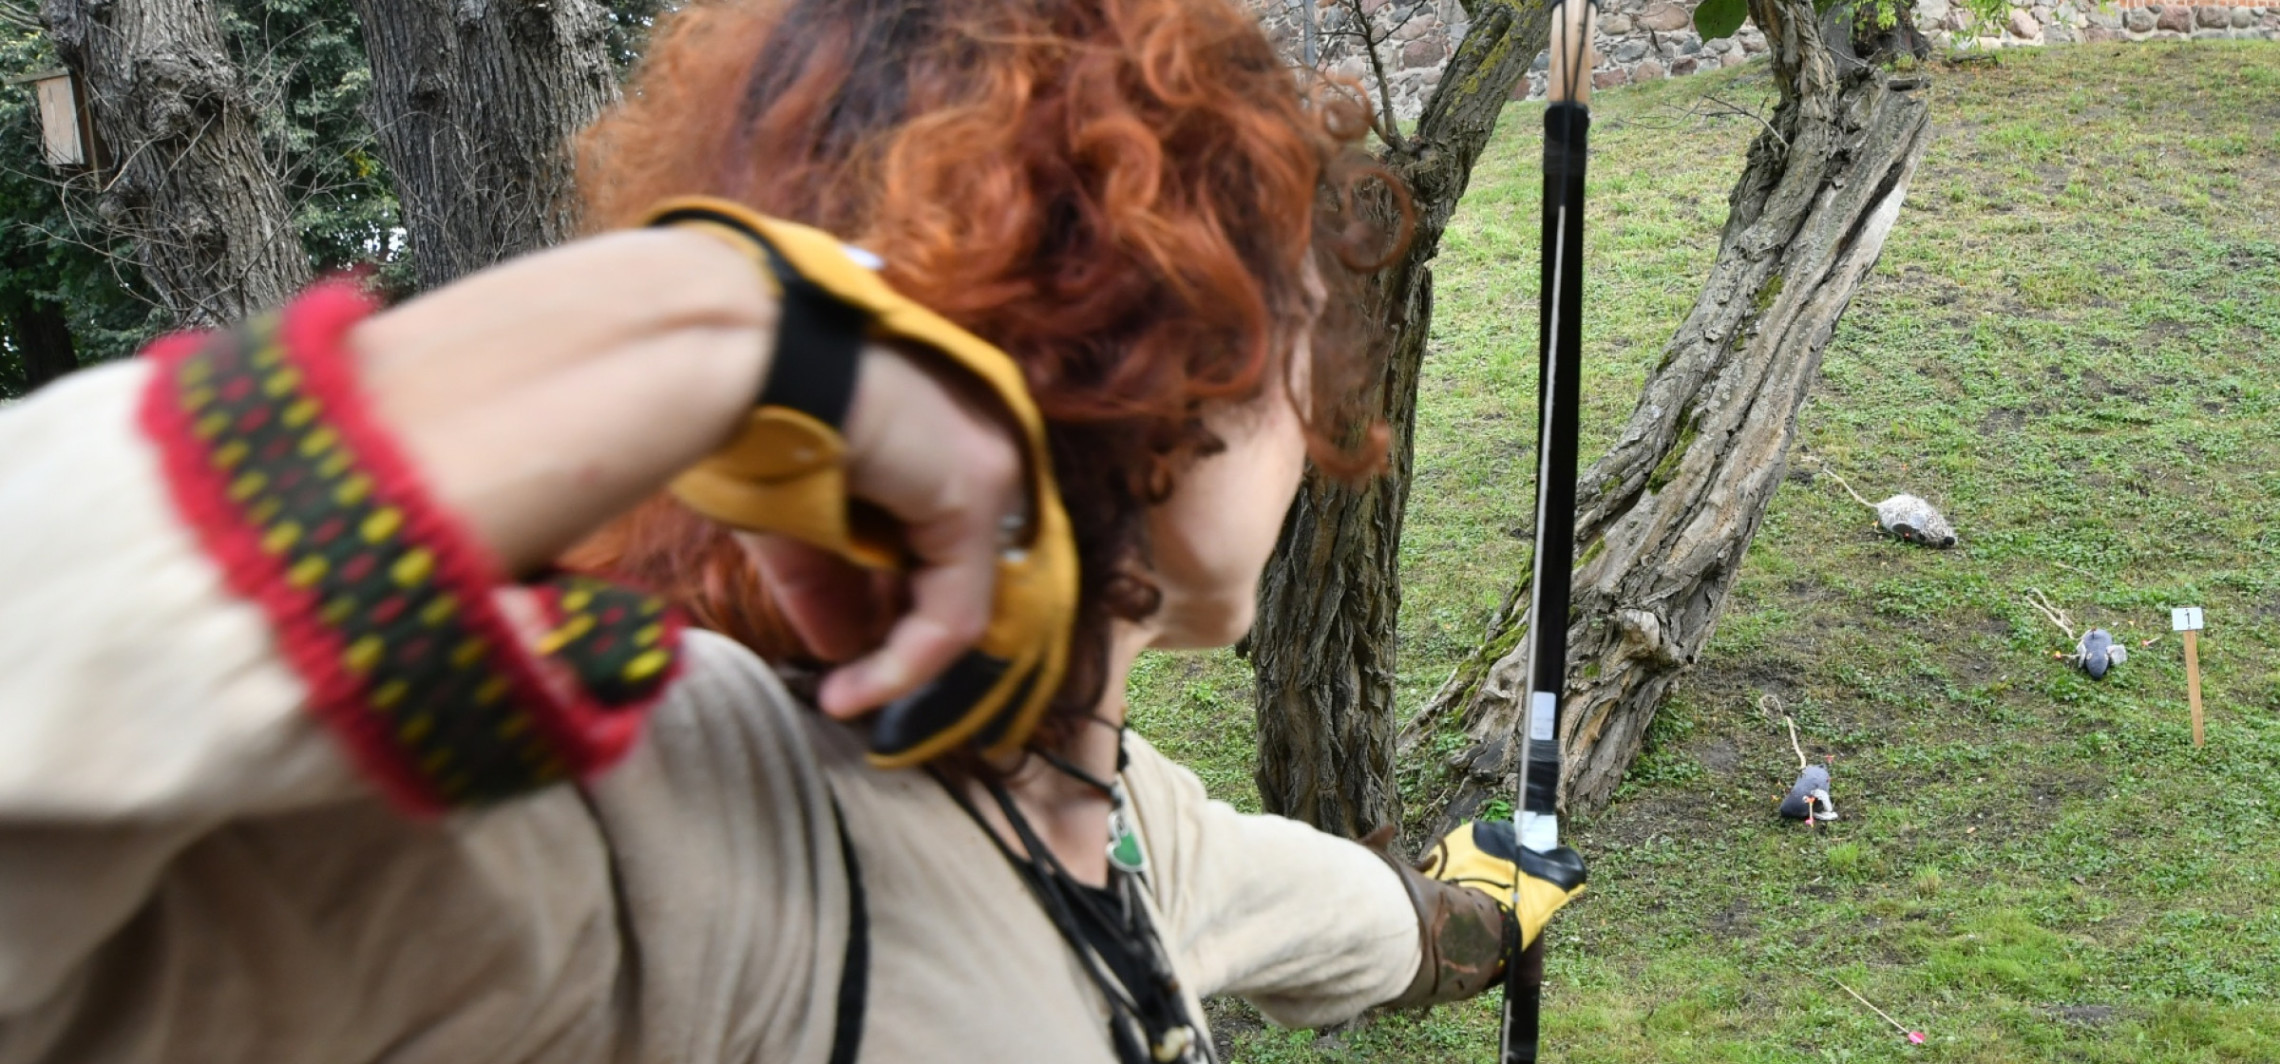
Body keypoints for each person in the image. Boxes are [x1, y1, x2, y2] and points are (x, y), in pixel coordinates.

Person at [0, 2, 1580, 1061]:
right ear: (1143, 345)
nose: (1310, 398)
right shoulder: (655, 815)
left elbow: (1353, 922)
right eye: (1281, 316)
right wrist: (711, 323)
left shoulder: (1115, 817)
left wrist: (1482, 910)